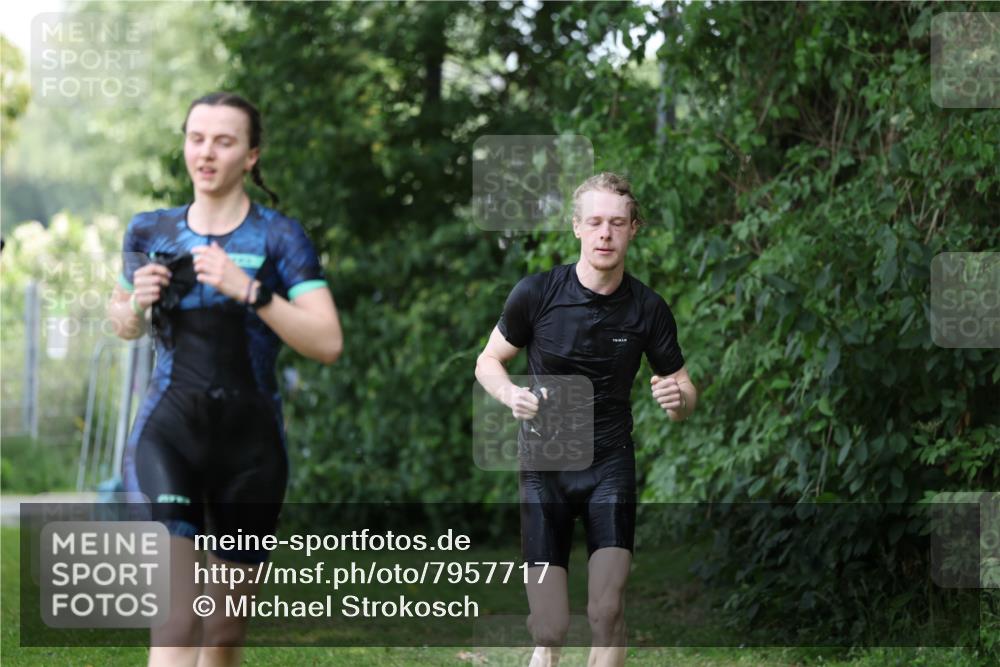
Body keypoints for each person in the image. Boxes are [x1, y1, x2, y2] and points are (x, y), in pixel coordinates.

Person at [107, 92, 343, 667]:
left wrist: (250, 290)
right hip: (169, 436)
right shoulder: (149, 231)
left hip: (251, 449)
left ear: (252, 156)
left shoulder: (280, 238)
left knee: (225, 631)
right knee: (179, 618)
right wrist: (135, 306)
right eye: (196, 138)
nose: (206, 152)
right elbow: (122, 323)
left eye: (223, 140)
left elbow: (327, 342)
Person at [475, 172, 697, 667]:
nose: (605, 233)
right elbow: (487, 361)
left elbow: (684, 390)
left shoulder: (649, 309)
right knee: (550, 627)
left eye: (617, 223)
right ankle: (544, 648)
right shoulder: (536, 294)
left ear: (633, 229)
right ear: (576, 227)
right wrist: (510, 393)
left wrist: (677, 399)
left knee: (607, 609)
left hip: (610, 463)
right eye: (595, 222)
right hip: (545, 465)